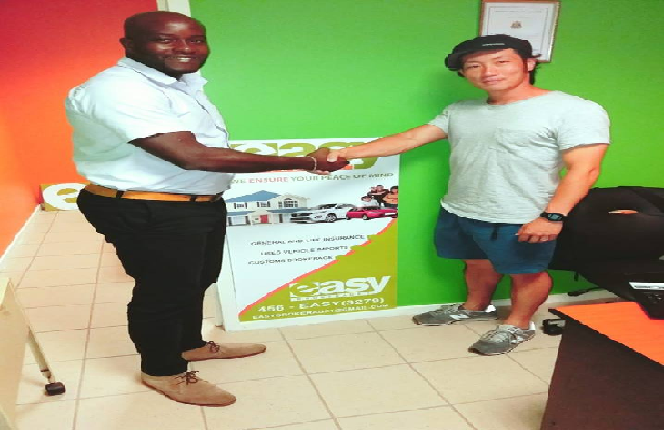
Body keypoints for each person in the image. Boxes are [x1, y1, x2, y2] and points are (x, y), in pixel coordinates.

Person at [66, 11, 348, 406]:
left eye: (195, 39)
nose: (185, 48)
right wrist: (308, 162)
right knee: (164, 292)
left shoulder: (180, 84)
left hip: (194, 204)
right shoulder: (118, 89)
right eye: (166, 39)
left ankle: (190, 344)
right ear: (129, 45)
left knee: (197, 280)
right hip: (147, 207)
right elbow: (192, 155)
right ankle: (162, 370)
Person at [328, 34, 610, 355]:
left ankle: (518, 325)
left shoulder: (573, 109)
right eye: (474, 65)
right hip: (460, 208)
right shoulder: (461, 110)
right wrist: (344, 153)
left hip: (522, 214)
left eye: (501, 61)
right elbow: (409, 139)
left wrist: (553, 216)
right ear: (464, 73)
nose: (488, 71)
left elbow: (585, 169)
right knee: (476, 263)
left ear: (529, 63)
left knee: (526, 273)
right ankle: (476, 308)